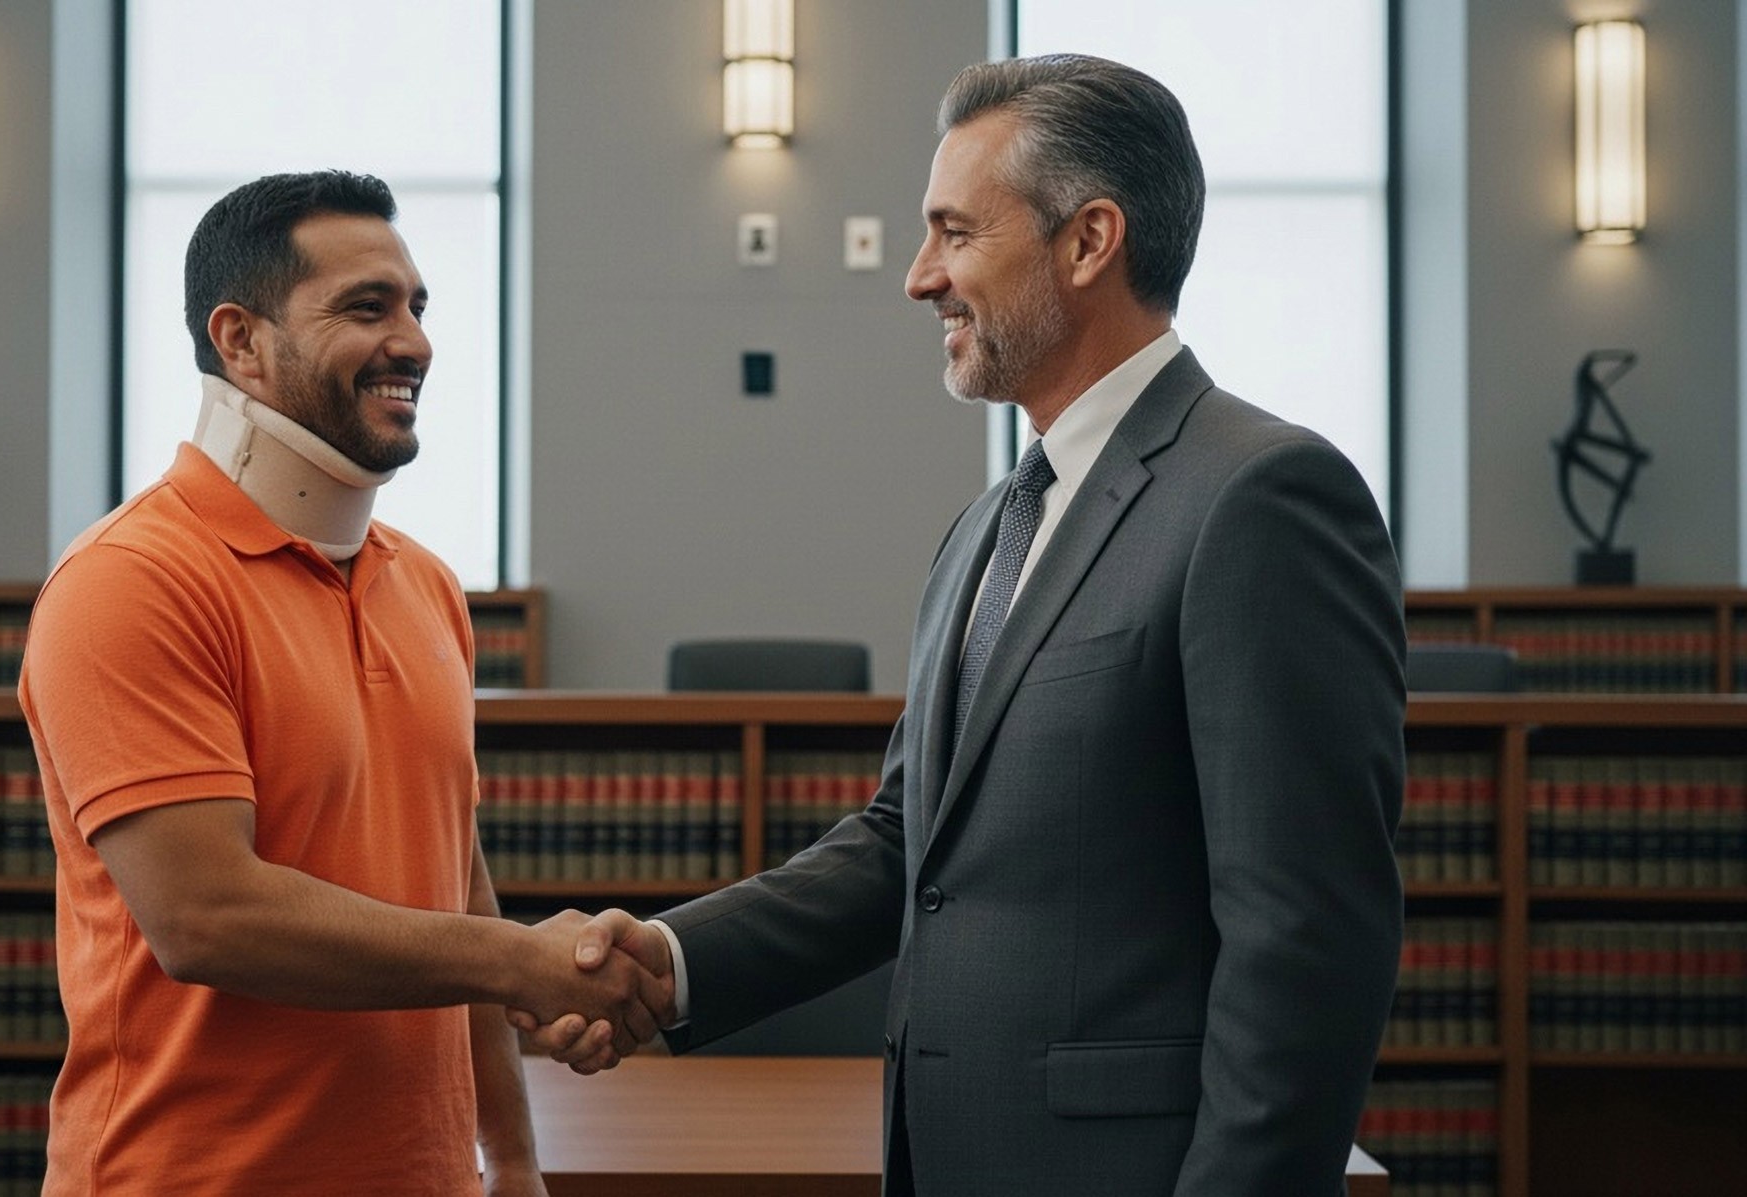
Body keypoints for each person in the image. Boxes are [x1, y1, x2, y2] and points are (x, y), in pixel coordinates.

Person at [523, 55, 1407, 1196]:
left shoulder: (1260, 497)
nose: (916, 278)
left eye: (952, 232)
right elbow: (908, 844)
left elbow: (1306, 936)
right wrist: (672, 960)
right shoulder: (991, 523)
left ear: (1088, 242)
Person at [20, 170, 670, 1196]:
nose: (411, 340)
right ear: (239, 340)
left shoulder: (426, 587)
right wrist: (517, 962)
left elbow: (451, 885)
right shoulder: (129, 582)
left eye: (415, 307)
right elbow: (205, 918)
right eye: (366, 308)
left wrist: (507, 1159)